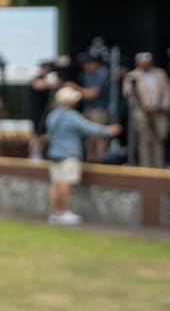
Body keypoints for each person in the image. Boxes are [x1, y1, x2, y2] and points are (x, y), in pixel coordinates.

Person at [45, 87, 121, 225]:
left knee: (56, 183)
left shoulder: (52, 115)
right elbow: (89, 128)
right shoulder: (71, 116)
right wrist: (109, 130)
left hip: (55, 153)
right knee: (65, 182)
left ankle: (55, 212)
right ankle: (63, 212)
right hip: (68, 153)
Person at [122, 51, 170, 169]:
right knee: (144, 141)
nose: (144, 64)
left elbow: (167, 92)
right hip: (142, 113)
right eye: (142, 62)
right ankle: (146, 168)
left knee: (159, 140)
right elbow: (127, 94)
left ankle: (159, 167)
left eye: (147, 62)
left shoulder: (160, 73)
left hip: (159, 112)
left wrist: (162, 106)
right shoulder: (132, 76)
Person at [66, 54, 111, 163]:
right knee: (88, 137)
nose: (85, 66)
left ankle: (101, 160)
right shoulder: (87, 74)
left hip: (99, 109)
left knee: (99, 136)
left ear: (93, 63)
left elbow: (92, 94)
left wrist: (75, 87)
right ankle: (91, 160)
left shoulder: (102, 73)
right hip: (88, 109)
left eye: (87, 64)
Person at [28, 60, 60, 160]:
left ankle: (38, 154)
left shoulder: (46, 79)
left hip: (44, 111)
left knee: (41, 135)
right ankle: (35, 155)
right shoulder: (37, 79)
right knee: (37, 135)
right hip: (36, 112)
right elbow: (39, 85)